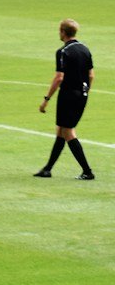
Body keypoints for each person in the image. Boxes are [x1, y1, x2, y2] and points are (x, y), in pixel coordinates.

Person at [36, 19, 96, 179]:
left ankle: (87, 171)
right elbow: (91, 75)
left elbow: (59, 78)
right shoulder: (85, 49)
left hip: (68, 95)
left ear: (63, 32)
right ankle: (47, 169)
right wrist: (85, 92)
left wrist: (46, 99)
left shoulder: (63, 52)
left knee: (68, 131)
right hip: (82, 94)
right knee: (61, 130)